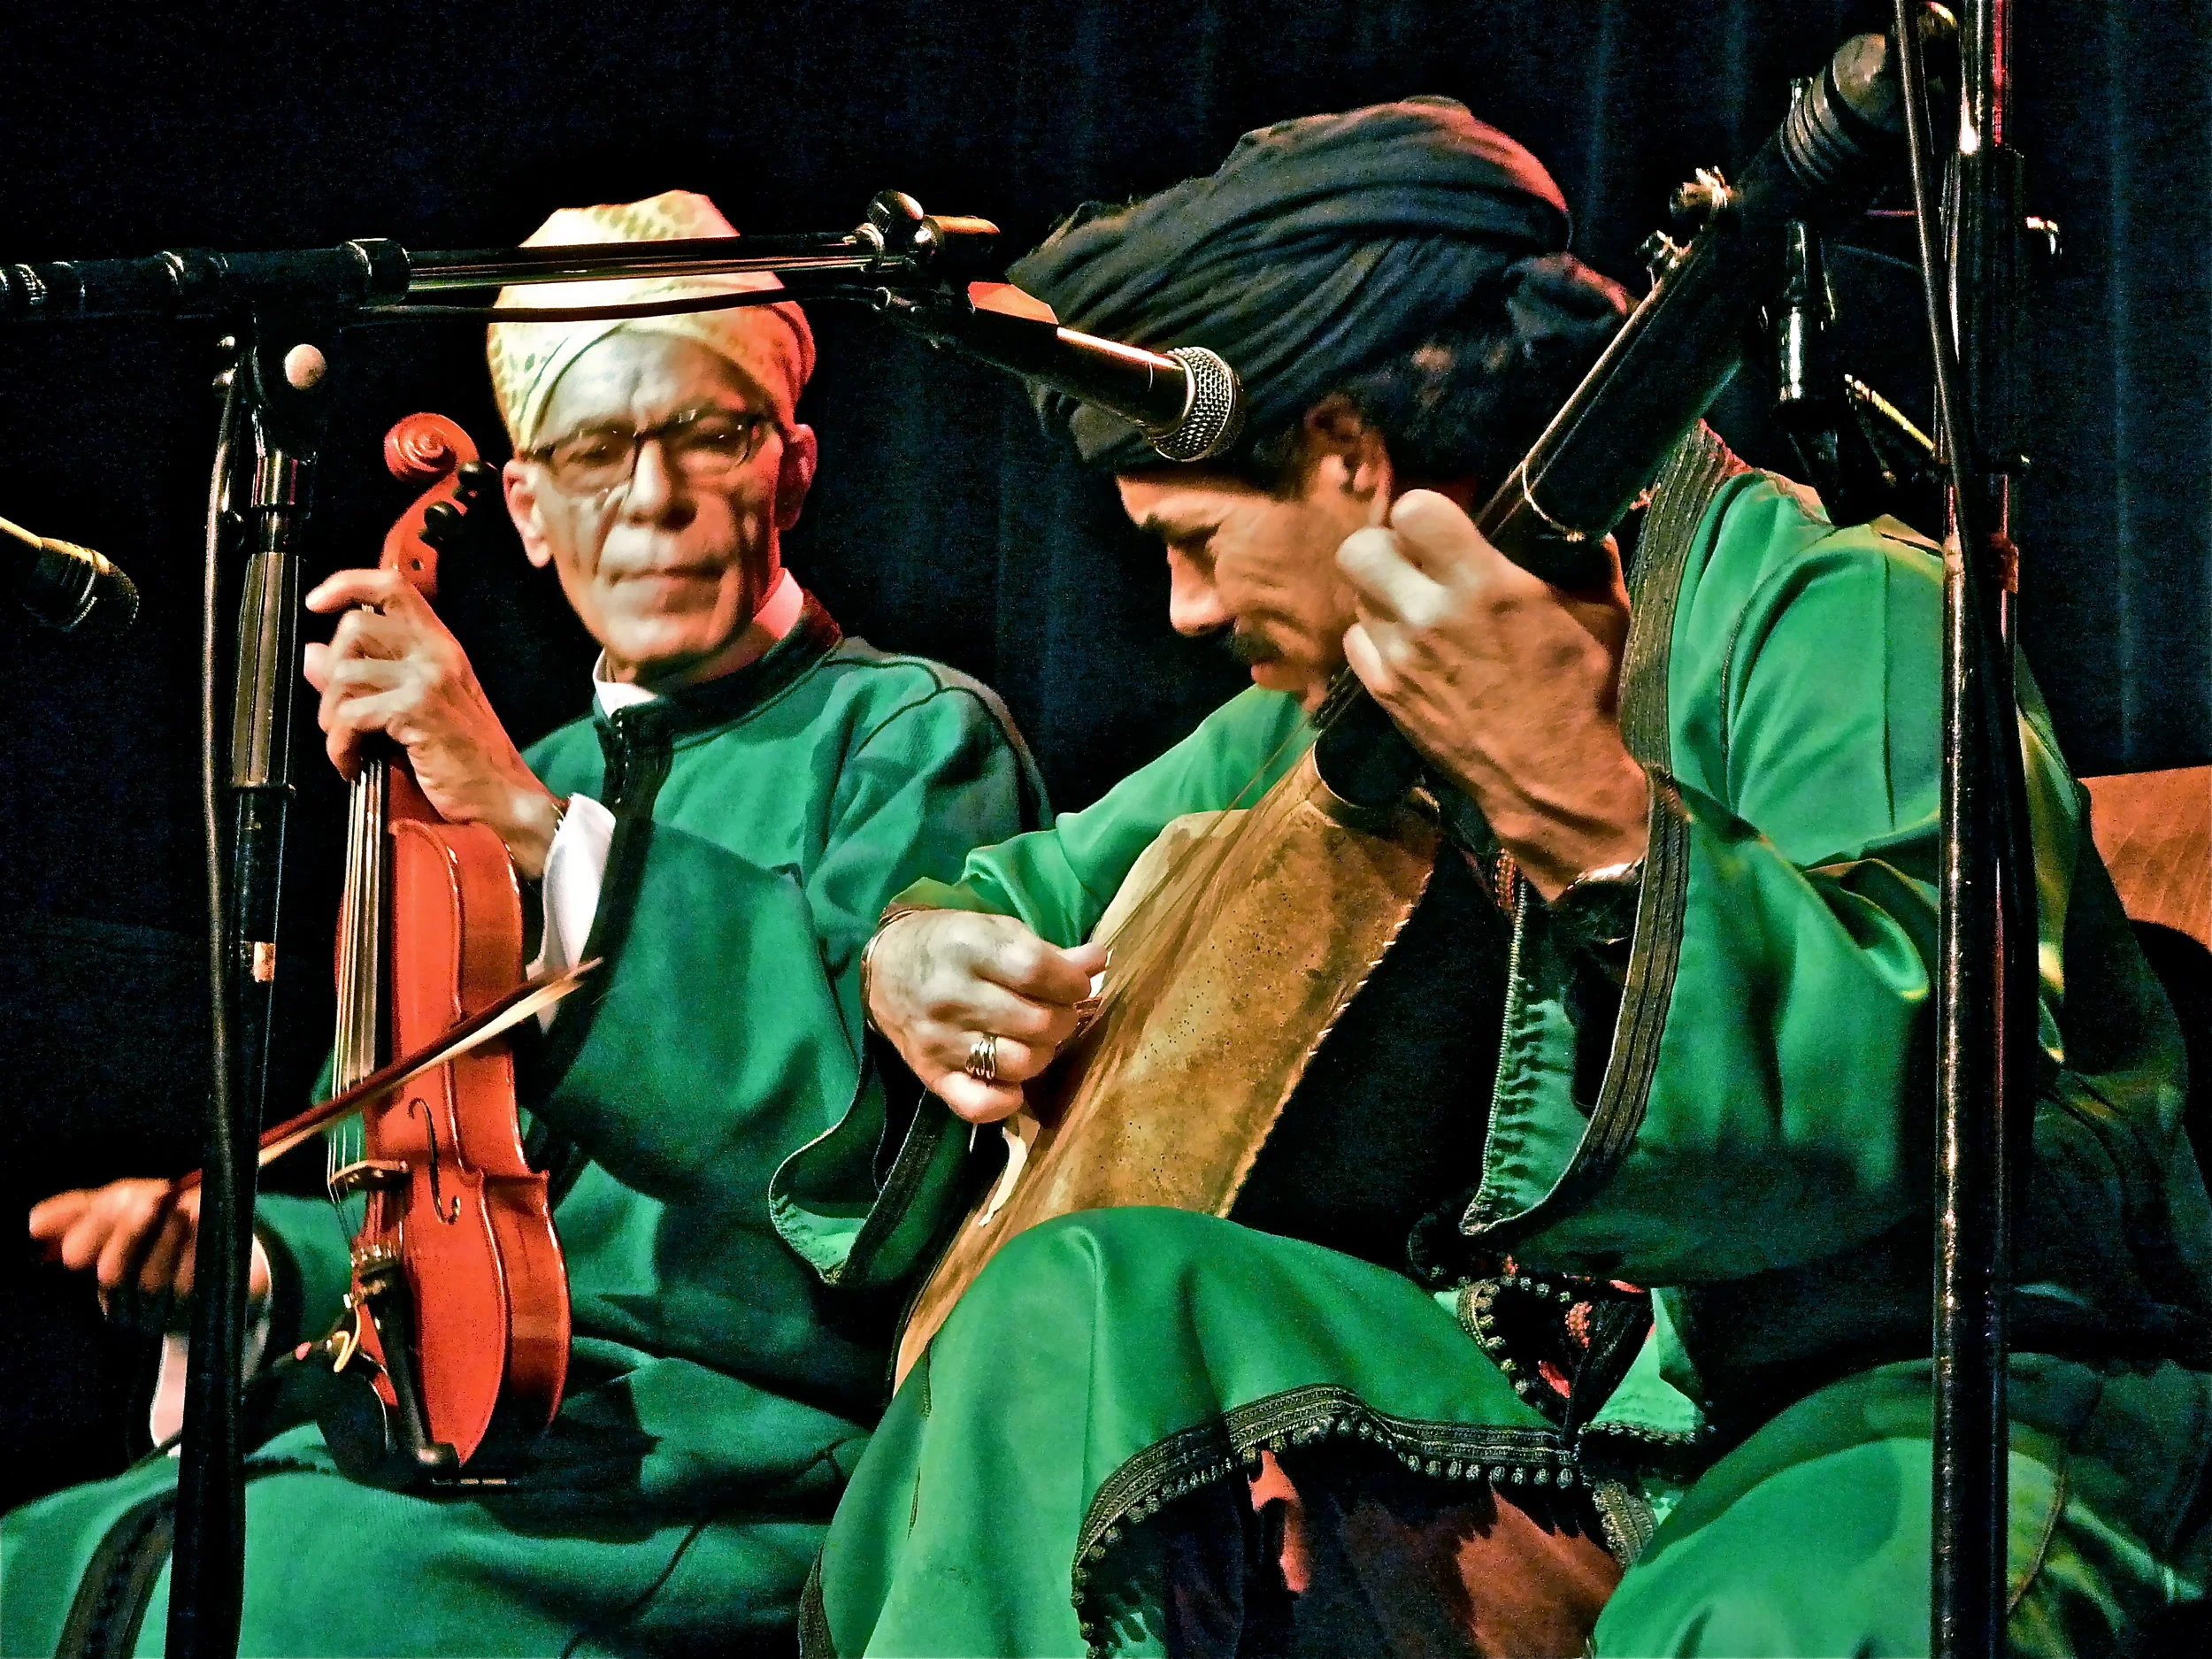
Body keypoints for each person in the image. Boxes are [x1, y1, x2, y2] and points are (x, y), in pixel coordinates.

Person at [809, 104, 2212, 1656]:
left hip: (1923, 1390)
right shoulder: (1324, 721)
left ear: (1349, 457)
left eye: (1196, 539)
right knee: (1070, 1307)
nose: (1185, 607)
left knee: (1757, 1625)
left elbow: (1927, 1088)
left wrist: (1594, 810)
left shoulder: (1840, 617)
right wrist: (921, 955)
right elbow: (1019, 885)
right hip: (1559, 1426)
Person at [4, 189, 1045, 1657]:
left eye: (710, 433)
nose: (653, 497)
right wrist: (262, 1266)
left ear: (795, 470)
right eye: (596, 451)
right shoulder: (514, 775)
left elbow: (874, 1169)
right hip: (467, 1442)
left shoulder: (913, 740)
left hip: (733, 1462)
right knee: (38, 1560)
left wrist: (533, 827)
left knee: (285, 1595)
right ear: (530, 514)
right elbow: (417, 1198)